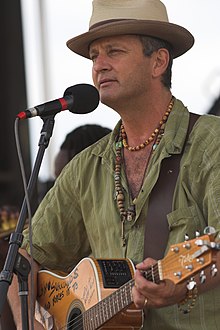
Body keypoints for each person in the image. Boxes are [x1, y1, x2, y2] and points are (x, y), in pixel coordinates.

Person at [7, 1, 220, 329]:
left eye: (114, 52)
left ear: (158, 62)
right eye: (94, 56)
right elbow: (20, 258)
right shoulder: (86, 169)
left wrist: (180, 286)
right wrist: (28, 323)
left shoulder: (211, 143)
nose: (99, 66)